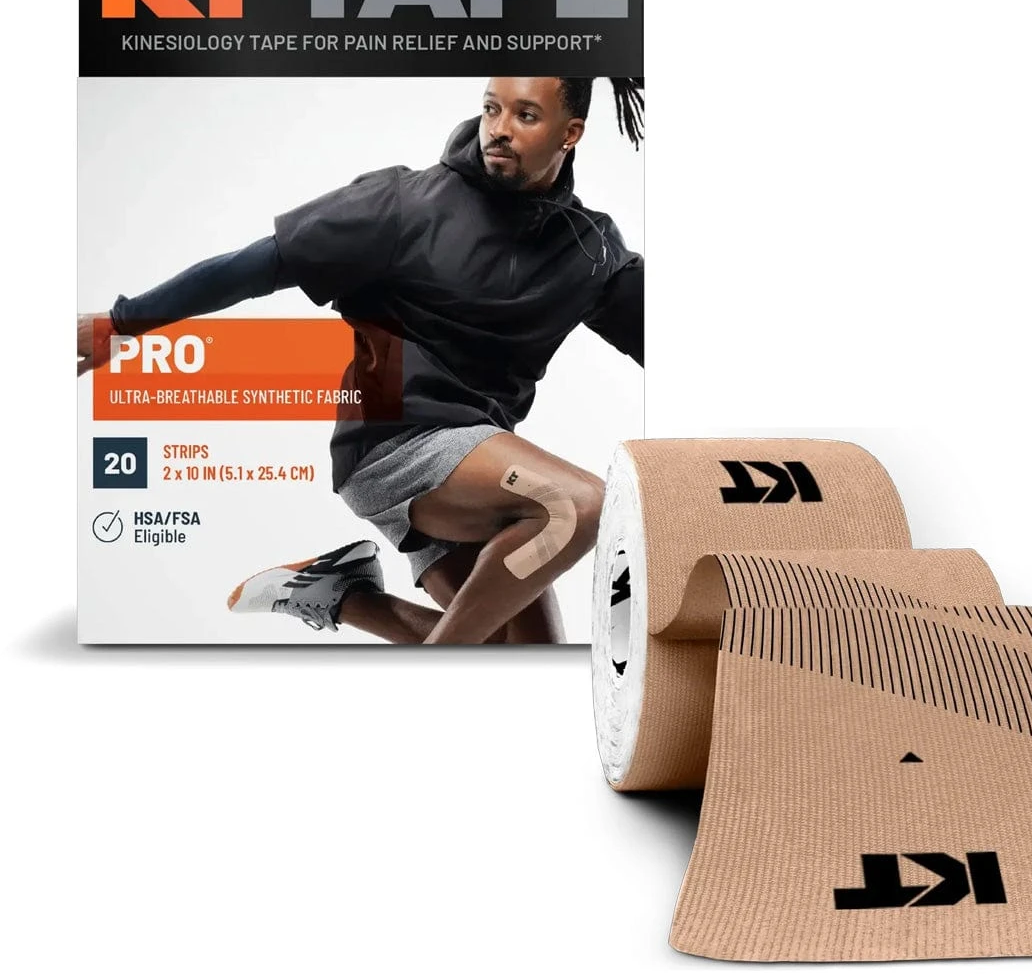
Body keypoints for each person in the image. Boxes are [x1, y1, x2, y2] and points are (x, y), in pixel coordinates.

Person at [77, 76, 644, 645]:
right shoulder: (404, 204)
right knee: (574, 506)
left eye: (525, 116)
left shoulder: (590, 251)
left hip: (480, 471)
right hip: (393, 443)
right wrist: (121, 324)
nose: (498, 129)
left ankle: (343, 596)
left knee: (522, 653)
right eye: (491, 109)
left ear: (570, 133)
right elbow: (256, 267)